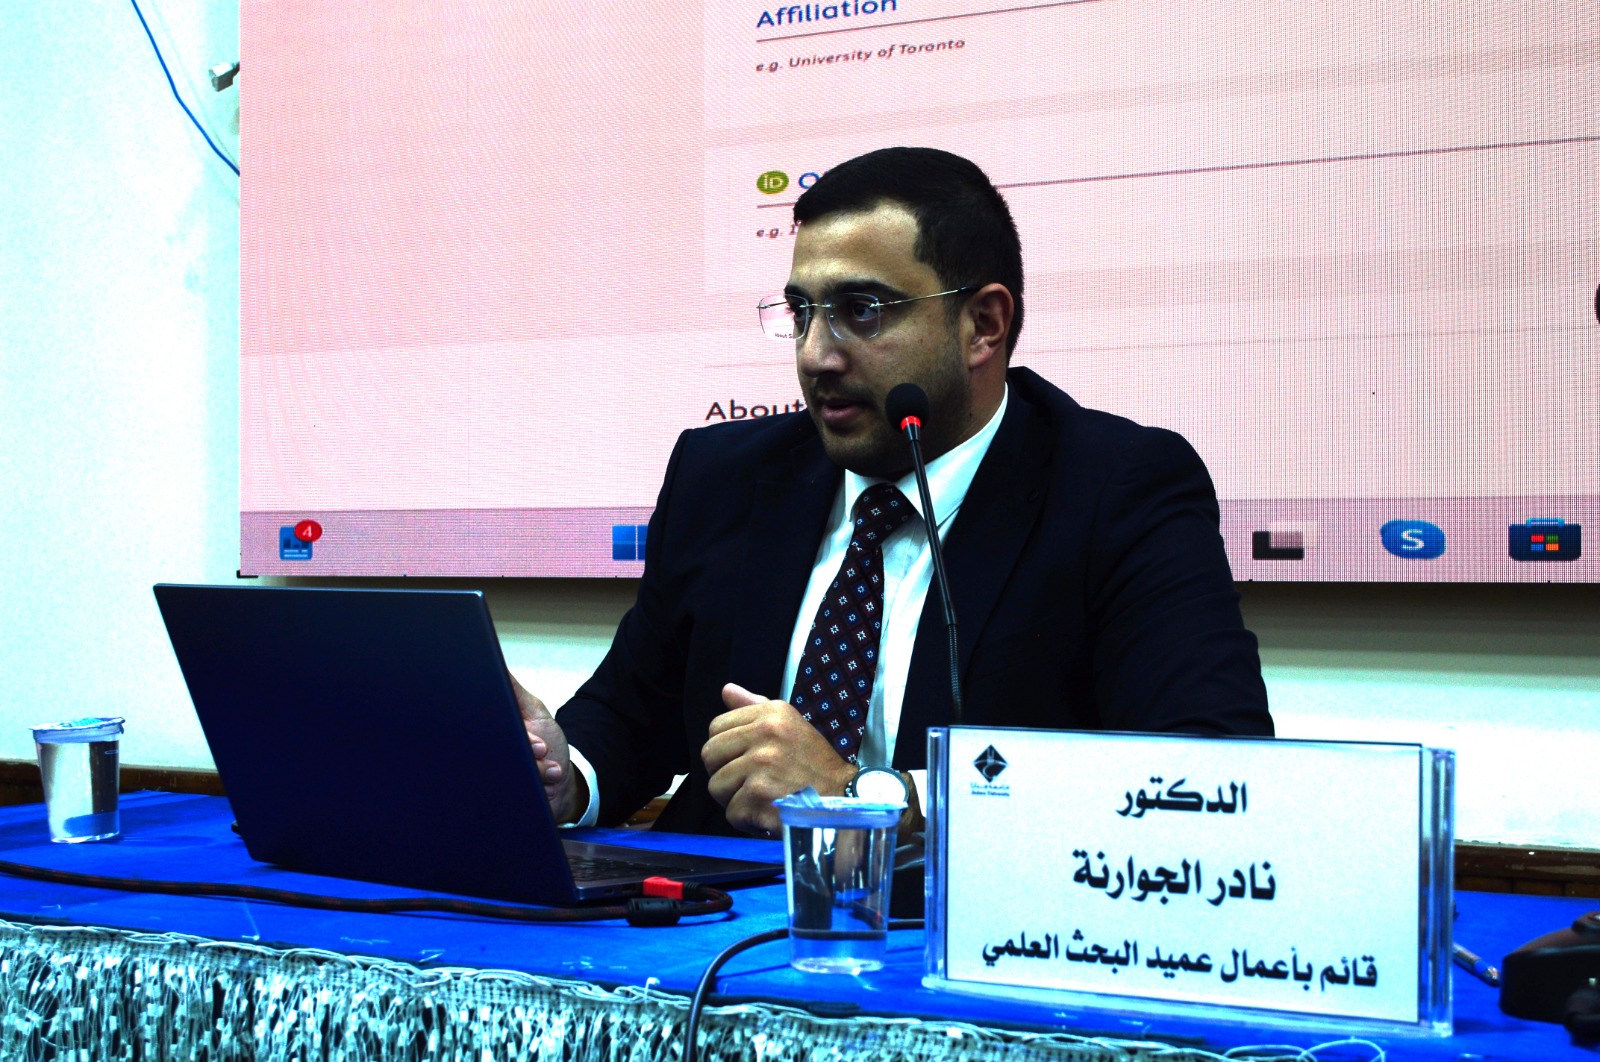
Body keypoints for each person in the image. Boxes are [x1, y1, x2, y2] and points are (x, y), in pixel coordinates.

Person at [516, 147, 1272, 838]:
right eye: (802, 313)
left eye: (862, 311)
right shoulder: (723, 476)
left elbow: (1210, 767)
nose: (817, 356)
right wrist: (562, 770)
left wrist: (866, 795)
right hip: (716, 912)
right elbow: (633, 712)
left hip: (946, 926)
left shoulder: (1118, 488)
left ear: (983, 325)